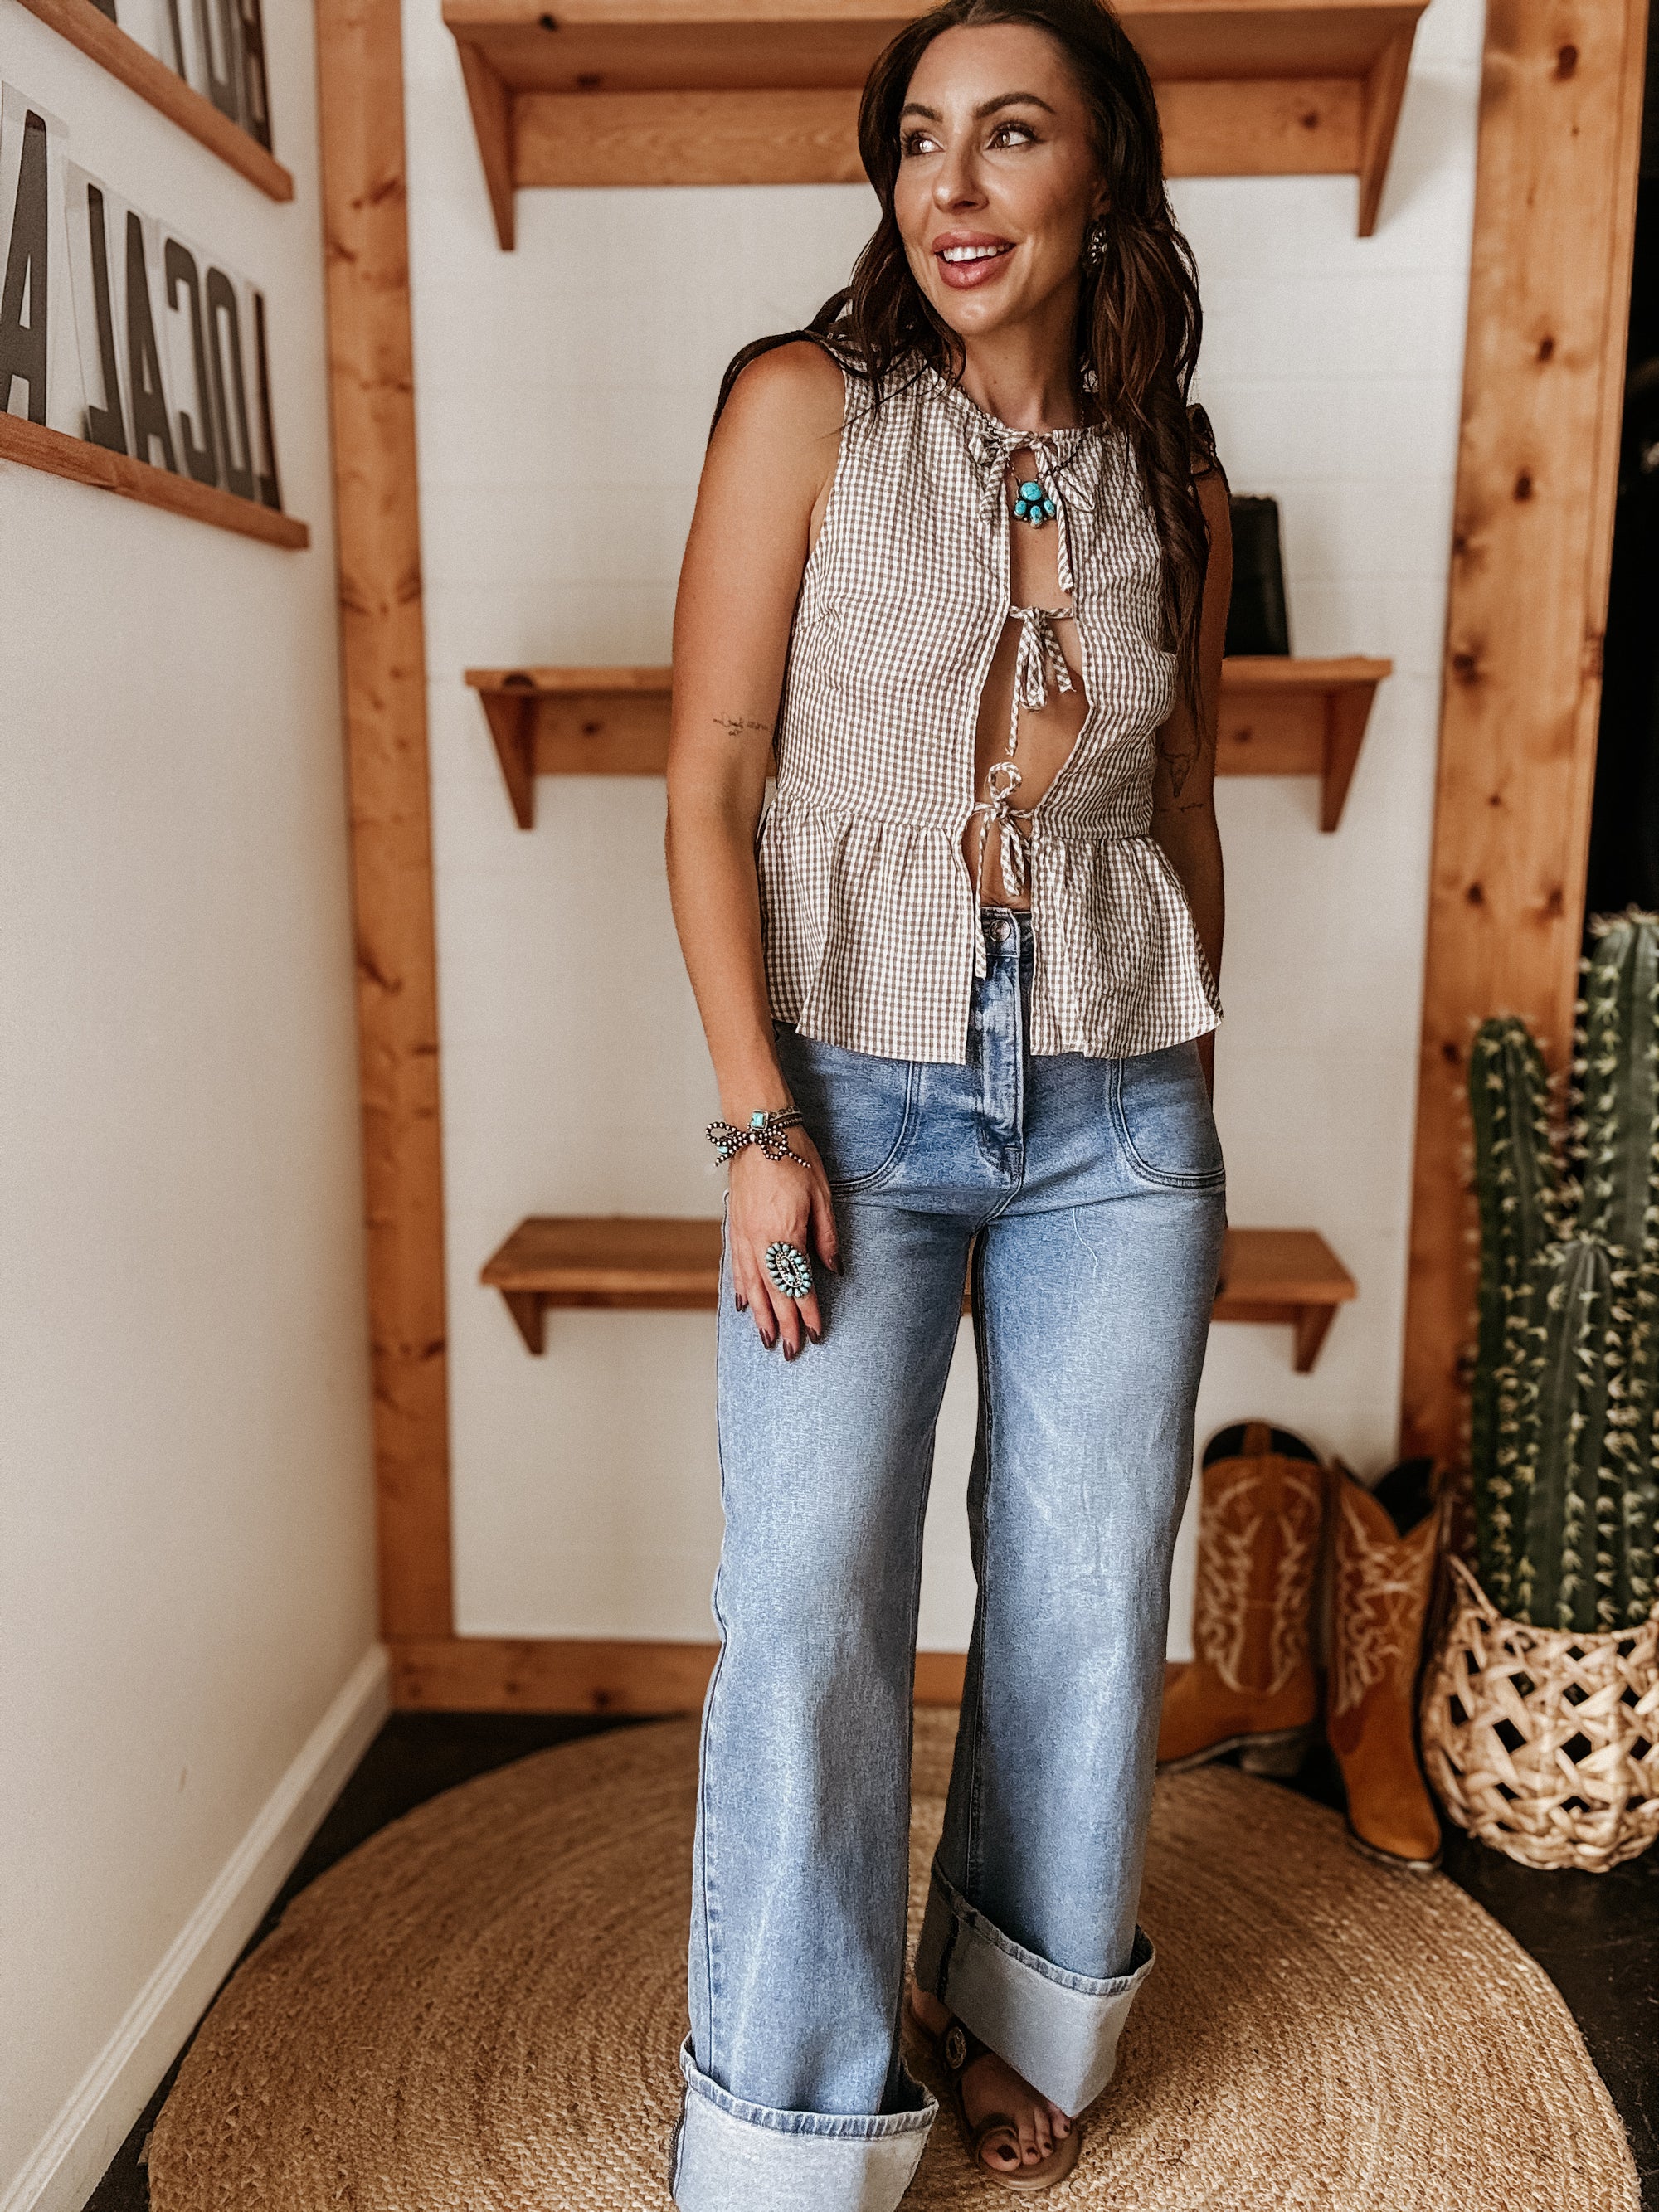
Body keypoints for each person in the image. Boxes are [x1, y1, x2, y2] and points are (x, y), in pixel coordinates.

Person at [663, 0, 1230, 2199]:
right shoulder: (801, 405)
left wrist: (1188, 1101)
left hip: (1120, 1115)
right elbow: (709, 781)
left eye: (1010, 136)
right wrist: (756, 1123)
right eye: (919, 142)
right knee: (810, 1606)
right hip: (850, 1101)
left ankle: (1018, 2000)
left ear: (1106, 173)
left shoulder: (1172, 474)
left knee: (1085, 1590)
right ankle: (795, 2120)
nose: (954, 188)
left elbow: (1179, 811)